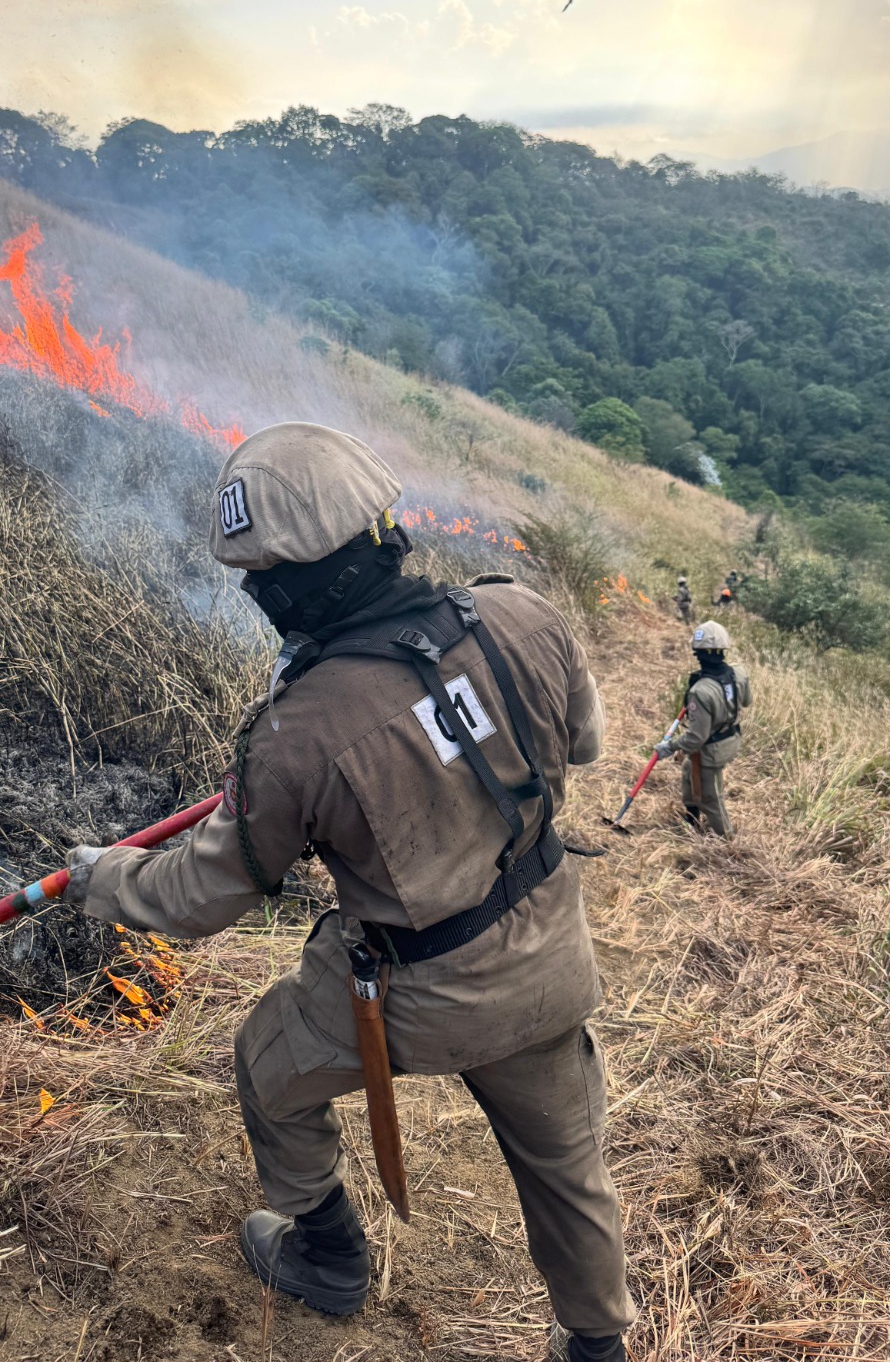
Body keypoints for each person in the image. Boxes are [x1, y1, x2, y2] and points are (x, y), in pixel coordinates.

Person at [64, 422, 635, 1362]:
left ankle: (328, 1260)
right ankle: (598, 1343)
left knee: (267, 1066)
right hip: (547, 955)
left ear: (302, 580)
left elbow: (207, 894)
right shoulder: (522, 612)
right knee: (569, 1170)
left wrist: (102, 877)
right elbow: (583, 746)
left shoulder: (295, 732)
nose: (255, 597)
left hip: (411, 991)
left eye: (264, 581)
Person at [654, 620, 751, 839]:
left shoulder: (700, 691)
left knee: (711, 796)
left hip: (712, 749)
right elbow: (746, 702)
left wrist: (668, 747)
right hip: (731, 737)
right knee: (689, 769)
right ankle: (691, 815)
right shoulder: (739, 674)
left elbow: (695, 739)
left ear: (697, 653)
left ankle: (727, 840)